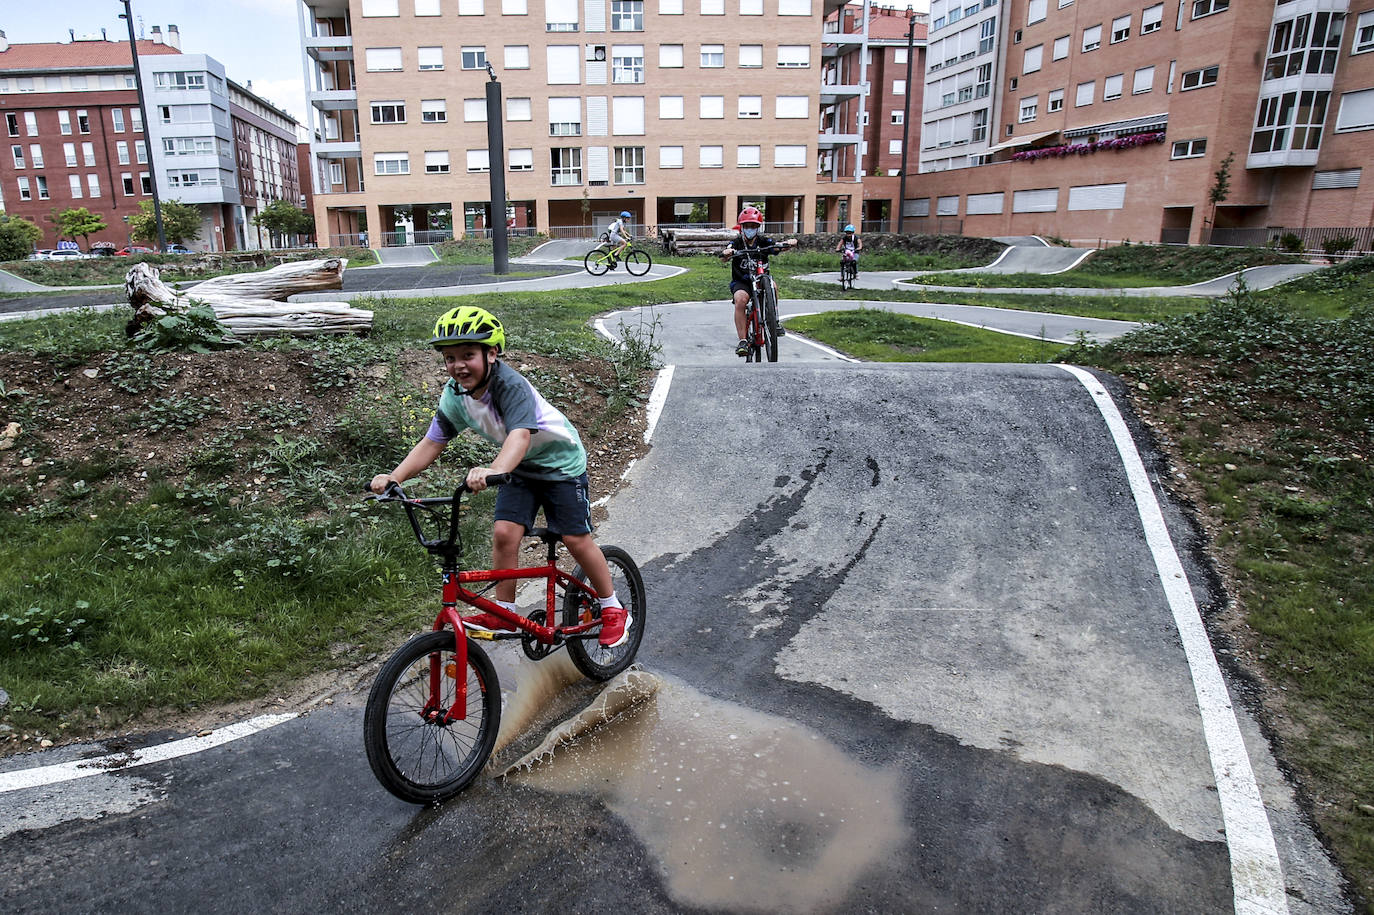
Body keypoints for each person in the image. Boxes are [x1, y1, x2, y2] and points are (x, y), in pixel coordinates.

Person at [369, 306, 631, 648]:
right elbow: (434, 441)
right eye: (450, 358)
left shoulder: (510, 386)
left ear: (491, 353)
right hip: (520, 469)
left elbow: (520, 435)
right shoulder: (455, 395)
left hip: (560, 466)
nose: (458, 365)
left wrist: (494, 470)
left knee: (574, 539)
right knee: (505, 534)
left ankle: (612, 607)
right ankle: (504, 611)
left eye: (468, 355)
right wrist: (395, 476)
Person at [719, 206, 797, 356]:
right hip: (743, 282)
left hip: (762, 279)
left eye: (753, 226)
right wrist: (727, 253)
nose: (750, 229)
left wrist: (788, 244)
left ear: (758, 227)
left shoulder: (763, 241)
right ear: (742, 227)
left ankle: (774, 320)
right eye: (747, 226)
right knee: (740, 300)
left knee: (773, 286)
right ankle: (742, 340)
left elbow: (776, 247)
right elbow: (724, 256)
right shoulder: (736, 243)